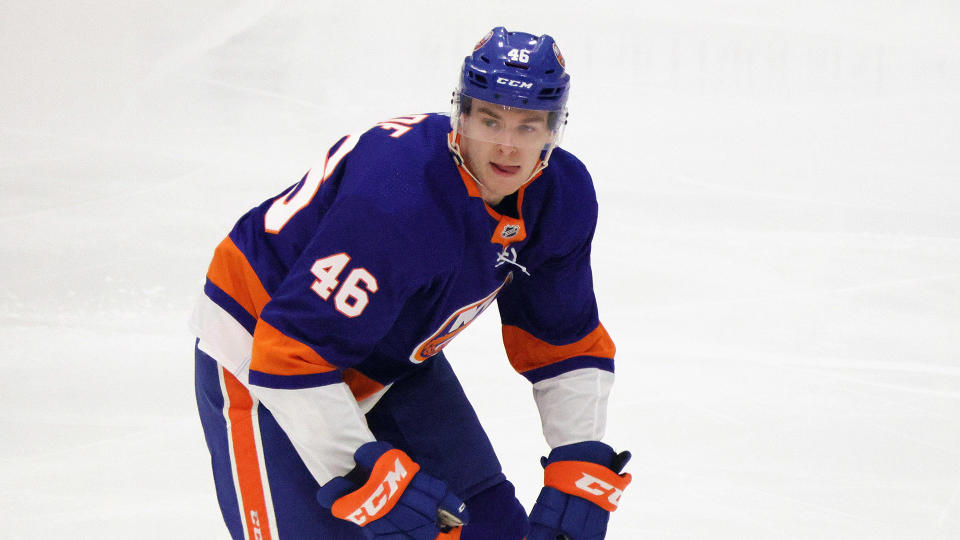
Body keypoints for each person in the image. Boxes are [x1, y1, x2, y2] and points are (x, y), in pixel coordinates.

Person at [192, 26, 631, 540]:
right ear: (460, 115)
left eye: (529, 126)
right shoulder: (398, 198)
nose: (508, 146)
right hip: (263, 353)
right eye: (491, 119)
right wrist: (363, 479)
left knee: (487, 530)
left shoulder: (562, 196)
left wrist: (577, 456)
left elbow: (562, 341)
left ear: (554, 131)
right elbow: (290, 355)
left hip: (393, 355)